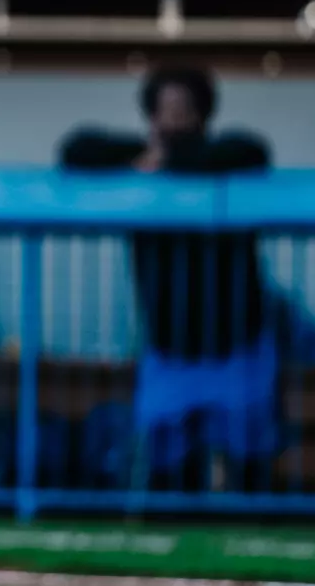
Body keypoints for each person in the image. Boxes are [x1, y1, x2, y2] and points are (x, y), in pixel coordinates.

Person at [59, 65, 275, 489]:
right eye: (164, 109)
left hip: (236, 346)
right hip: (170, 349)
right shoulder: (139, 163)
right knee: (167, 472)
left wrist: (170, 161)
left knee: (249, 469)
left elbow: (253, 151)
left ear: (202, 115)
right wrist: (143, 159)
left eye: (183, 110)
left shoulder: (225, 160)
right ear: (151, 114)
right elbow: (75, 149)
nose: (173, 120)